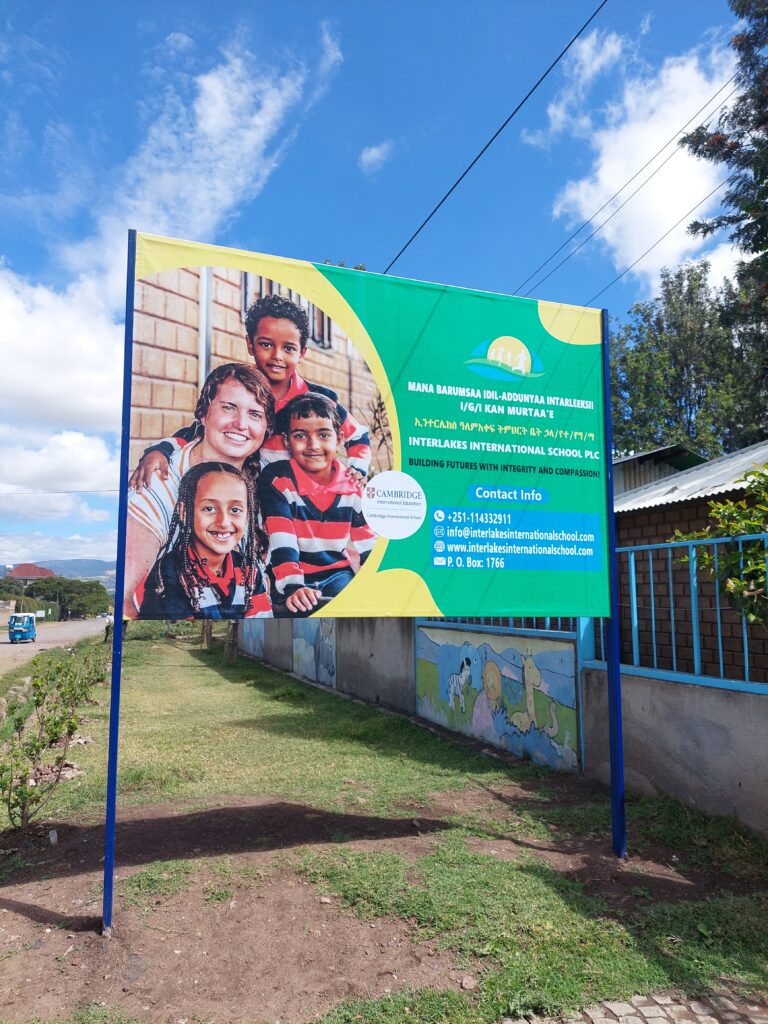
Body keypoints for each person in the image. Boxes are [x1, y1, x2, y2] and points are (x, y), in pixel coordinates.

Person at [129, 294, 371, 490]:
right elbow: (195, 431)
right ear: (250, 344)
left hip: (300, 507)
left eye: (288, 348)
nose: (277, 356)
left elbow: (358, 436)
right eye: (266, 344)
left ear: (302, 353)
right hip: (250, 499)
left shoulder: (319, 400)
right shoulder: (238, 389)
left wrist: (357, 470)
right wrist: (159, 451)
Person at [124, 363, 274, 618]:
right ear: (204, 414)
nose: (241, 424)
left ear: (266, 427)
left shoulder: (263, 478)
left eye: (255, 414)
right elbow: (123, 602)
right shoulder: (157, 484)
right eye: (228, 408)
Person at [260, 393, 376, 614]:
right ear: (287, 441)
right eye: (300, 435)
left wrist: (376, 580)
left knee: (353, 609)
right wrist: (293, 586)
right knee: (290, 611)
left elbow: (367, 542)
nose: (313, 445)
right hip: (291, 575)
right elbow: (281, 540)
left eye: (323, 434)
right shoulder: (278, 479)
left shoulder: (352, 483)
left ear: (340, 439)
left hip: (336, 573)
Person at [136, 462, 271, 619]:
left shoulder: (248, 570)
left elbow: (260, 622)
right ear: (184, 512)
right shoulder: (169, 573)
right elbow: (183, 634)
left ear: (247, 515)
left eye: (235, 510)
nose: (223, 522)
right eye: (209, 509)